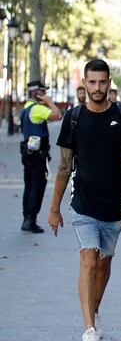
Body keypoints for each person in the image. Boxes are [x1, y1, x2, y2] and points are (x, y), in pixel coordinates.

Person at [47, 59, 121, 341]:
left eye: (102, 82)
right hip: (83, 203)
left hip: (115, 205)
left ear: (109, 82)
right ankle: (89, 328)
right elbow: (64, 167)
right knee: (89, 260)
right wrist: (54, 208)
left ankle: (95, 309)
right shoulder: (74, 118)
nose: (97, 88)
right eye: (92, 82)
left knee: (104, 264)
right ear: (85, 84)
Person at [19, 81, 63, 233]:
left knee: (29, 185)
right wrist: (49, 102)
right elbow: (58, 115)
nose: (45, 95)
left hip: (27, 152)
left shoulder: (25, 108)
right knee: (37, 186)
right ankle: (30, 220)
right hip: (37, 155)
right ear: (36, 93)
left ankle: (27, 217)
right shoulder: (37, 109)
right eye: (43, 92)